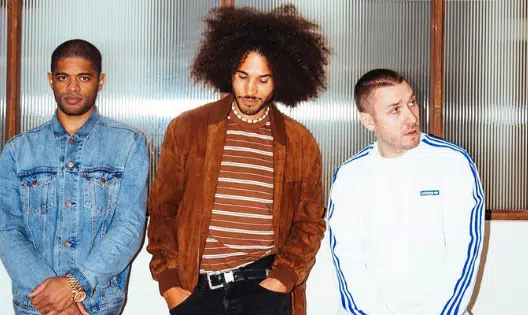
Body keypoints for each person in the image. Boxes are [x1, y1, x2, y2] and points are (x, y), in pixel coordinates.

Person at [146, 4, 330, 315]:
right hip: (196, 288)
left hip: (263, 285)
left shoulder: (300, 142)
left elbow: (309, 222)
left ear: (280, 79)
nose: (249, 89)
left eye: (263, 79)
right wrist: (170, 285)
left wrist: (281, 282)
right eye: (242, 75)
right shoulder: (188, 129)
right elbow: (163, 211)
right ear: (227, 71)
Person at [0, 39, 149, 315]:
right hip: (36, 306)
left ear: (100, 81)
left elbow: (130, 226)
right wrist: (55, 300)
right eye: (63, 77)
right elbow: (9, 232)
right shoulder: (18, 150)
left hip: (97, 305)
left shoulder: (128, 145)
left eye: (84, 78)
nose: (73, 88)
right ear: (50, 80)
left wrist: (74, 285)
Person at [328, 69, 485, 315]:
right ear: (369, 121)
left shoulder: (452, 162)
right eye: (395, 110)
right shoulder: (350, 176)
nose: (411, 117)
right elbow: (347, 259)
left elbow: (465, 250)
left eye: (412, 102)